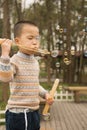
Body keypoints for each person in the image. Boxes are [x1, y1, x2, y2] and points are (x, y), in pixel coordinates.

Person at [0, 21, 53, 130]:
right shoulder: (14, 60)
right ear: (17, 41)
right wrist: (5, 55)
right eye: (30, 38)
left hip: (34, 112)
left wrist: (45, 94)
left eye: (37, 38)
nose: (35, 42)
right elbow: (5, 78)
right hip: (18, 114)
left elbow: (34, 84)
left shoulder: (35, 62)